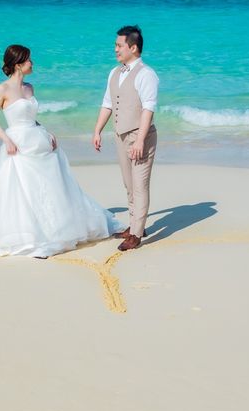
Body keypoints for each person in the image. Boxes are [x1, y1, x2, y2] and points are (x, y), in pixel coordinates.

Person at [0, 45, 122, 258]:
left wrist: (46, 131)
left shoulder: (29, 88)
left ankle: (55, 230)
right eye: (29, 60)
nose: (32, 63)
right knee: (25, 190)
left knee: (49, 187)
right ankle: (32, 237)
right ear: (18, 64)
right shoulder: (2, 89)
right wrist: (7, 140)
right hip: (18, 144)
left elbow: (30, 118)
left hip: (37, 139)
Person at [93, 25, 159, 251]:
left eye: (119, 45)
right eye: (115, 45)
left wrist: (140, 140)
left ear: (133, 47)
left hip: (141, 136)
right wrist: (97, 130)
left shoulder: (147, 74)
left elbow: (148, 109)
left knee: (140, 185)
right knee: (129, 184)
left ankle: (137, 234)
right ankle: (135, 225)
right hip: (121, 135)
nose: (115, 49)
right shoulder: (114, 72)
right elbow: (108, 103)